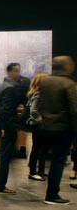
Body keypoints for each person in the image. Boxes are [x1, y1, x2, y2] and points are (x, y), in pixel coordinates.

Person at [38, 56, 77, 205]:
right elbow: (74, 110)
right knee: (58, 161)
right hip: (62, 129)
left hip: (45, 127)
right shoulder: (69, 84)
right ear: (67, 67)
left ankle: (51, 193)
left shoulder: (45, 81)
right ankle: (52, 194)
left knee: (48, 159)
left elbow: (40, 104)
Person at [0, 63, 25, 195]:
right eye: (16, 71)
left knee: (5, 157)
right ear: (10, 72)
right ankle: (0, 185)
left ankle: (0, 185)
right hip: (8, 128)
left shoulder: (5, 86)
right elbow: (6, 111)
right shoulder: (9, 88)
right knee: (5, 157)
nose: (18, 74)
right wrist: (8, 127)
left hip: (6, 127)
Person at [26, 72, 49, 182]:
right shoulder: (38, 94)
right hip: (38, 125)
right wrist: (41, 120)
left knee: (42, 148)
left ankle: (41, 170)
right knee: (37, 148)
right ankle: (33, 172)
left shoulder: (38, 93)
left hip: (39, 125)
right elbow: (33, 110)